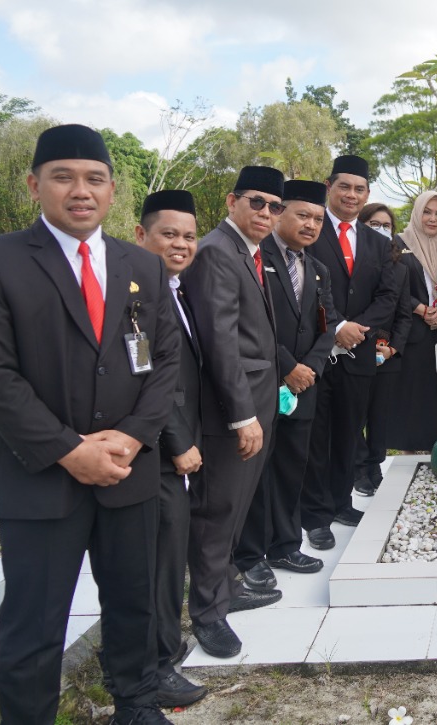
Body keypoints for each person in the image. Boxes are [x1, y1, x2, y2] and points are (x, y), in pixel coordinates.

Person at [0, 123, 181, 724]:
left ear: (111, 192)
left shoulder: (143, 267)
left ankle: (134, 701)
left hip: (129, 469)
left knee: (133, 600)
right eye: (64, 177)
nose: (81, 191)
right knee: (35, 616)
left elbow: (164, 363)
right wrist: (67, 449)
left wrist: (132, 436)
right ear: (35, 186)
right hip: (42, 477)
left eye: (95, 179)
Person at [182, 164, 285, 659]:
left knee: (237, 505)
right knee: (216, 509)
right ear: (232, 201)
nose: (266, 213)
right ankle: (206, 613)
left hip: (258, 401)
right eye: (257, 202)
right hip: (230, 411)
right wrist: (243, 415)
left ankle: (225, 586)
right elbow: (219, 341)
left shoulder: (250, 252)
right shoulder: (216, 252)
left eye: (275, 206)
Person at [234, 181, 340, 592]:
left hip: (302, 387)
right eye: (302, 215)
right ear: (280, 214)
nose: (311, 224)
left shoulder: (317, 269)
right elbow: (251, 324)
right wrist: (288, 366)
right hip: (262, 383)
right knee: (256, 471)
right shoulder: (258, 260)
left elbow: (327, 325)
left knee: (292, 467)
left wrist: (308, 369)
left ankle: (284, 543)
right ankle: (249, 554)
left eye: (317, 218)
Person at [300, 155, 397, 548]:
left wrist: (357, 329)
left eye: (360, 189)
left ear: (368, 194)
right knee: (317, 435)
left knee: (347, 433)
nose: (352, 195)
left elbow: (389, 295)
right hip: (315, 350)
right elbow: (303, 287)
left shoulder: (378, 241)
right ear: (329, 187)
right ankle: (315, 514)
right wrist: (337, 325)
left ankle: (341, 501)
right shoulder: (310, 230)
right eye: (344, 187)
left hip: (359, 352)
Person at [134, 189, 207, 708]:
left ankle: (164, 643)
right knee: (157, 562)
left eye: (188, 236)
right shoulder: (135, 295)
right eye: (168, 234)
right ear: (141, 235)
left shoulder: (175, 289)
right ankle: (154, 666)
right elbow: (145, 376)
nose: (180, 244)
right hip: (155, 454)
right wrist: (178, 441)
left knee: (170, 555)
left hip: (178, 449)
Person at [393, 190, 437, 451]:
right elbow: (390, 286)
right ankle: (409, 447)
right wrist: (419, 308)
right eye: (427, 212)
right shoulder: (398, 243)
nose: (433, 219)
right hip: (414, 329)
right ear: (417, 212)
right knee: (413, 391)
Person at [359, 201, 413, 479]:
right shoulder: (351, 263)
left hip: (385, 353)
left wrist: (392, 348)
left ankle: (374, 467)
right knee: (354, 416)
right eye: (374, 224)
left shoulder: (400, 269)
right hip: (352, 349)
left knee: (379, 417)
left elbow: (404, 314)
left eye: (387, 226)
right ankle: (357, 468)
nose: (381, 230)